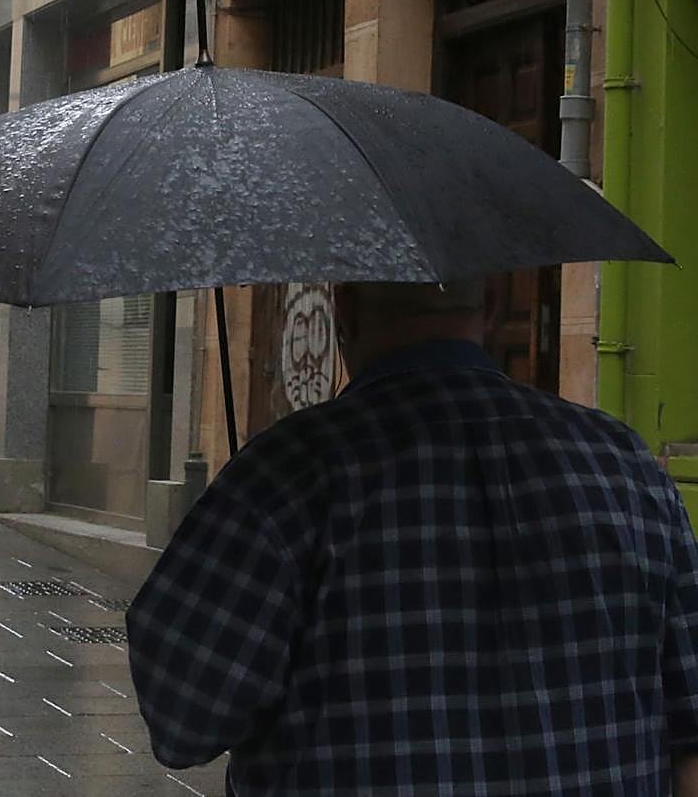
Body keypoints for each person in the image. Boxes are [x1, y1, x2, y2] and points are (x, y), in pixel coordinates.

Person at [126, 280, 698, 796]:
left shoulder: (289, 474)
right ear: (493, 306)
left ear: (343, 309)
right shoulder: (625, 464)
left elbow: (183, 721)